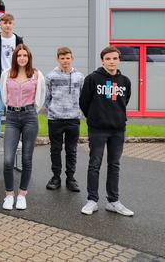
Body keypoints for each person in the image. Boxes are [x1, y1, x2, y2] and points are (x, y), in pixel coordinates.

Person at [80, 46, 133, 217]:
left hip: (118, 129)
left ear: (119, 60)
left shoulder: (125, 81)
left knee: (114, 165)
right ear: (102, 60)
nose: (111, 62)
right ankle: (92, 200)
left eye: (114, 58)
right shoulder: (92, 79)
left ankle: (113, 201)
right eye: (108, 59)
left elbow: (125, 101)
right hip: (98, 129)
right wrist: (95, 118)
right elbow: (84, 102)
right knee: (94, 164)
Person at [1, 44, 46, 211]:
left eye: (24, 56)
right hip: (12, 117)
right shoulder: (6, 74)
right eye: (19, 55)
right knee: (7, 160)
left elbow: (40, 97)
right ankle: (9, 195)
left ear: (29, 58)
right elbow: (4, 96)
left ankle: (22, 195)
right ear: (15, 57)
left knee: (27, 158)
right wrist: (11, 109)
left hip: (29, 117)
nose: (22, 58)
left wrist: (31, 111)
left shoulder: (36, 75)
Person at [44, 47, 84, 192]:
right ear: (58, 59)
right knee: (55, 149)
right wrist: (54, 109)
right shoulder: (50, 76)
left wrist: (77, 111)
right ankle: (55, 177)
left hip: (73, 119)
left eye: (68, 58)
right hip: (55, 119)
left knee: (71, 150)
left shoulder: (79, 77)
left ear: (72, 59)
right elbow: (46, 98)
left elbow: (83, 97)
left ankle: (71, 178)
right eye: (62, 58)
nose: (65, 61)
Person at [0, 14, 23, 150]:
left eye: (10, 23)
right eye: (5, 22)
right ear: (0, 24)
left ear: (13, 24)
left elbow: (24, 57)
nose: (7, 25)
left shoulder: (18, 40)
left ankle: (16, 138)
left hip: (15, 80)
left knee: (15, 111)